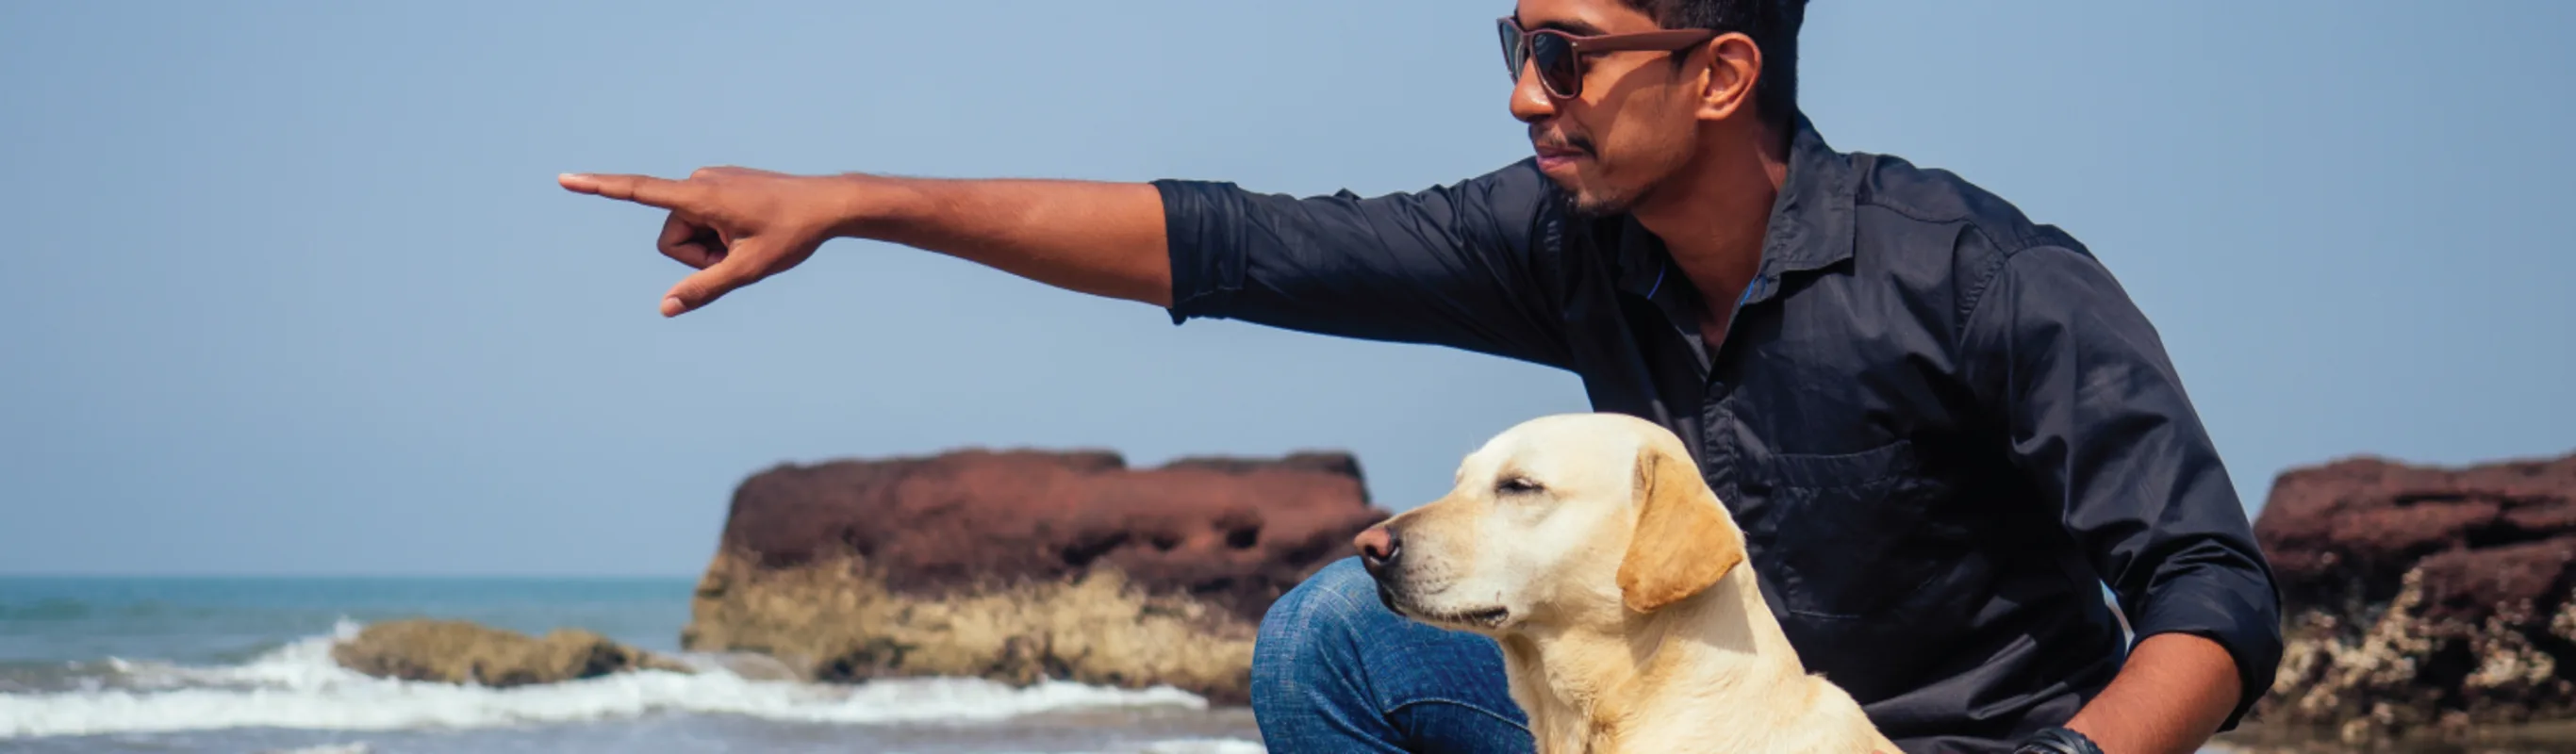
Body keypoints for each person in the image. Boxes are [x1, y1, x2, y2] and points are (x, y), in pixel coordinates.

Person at [556, 1, 2282, 752]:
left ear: (1721, 72)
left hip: (1927, 752)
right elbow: (1228, 242)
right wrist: (857, 204)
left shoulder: (1978, 276)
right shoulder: (1562, 240)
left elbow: (2210, 593)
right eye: (1511, 46)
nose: (1527, 93)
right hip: (1656, 732)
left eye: (1567, 53)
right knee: (1337, 637)